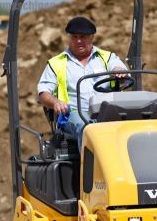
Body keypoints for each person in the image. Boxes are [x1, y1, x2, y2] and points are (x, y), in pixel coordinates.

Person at [37, 16, 127, 147]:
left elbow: (120, 70)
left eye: (83, 37)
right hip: (74, 113)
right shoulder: (56, 63)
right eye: (74, 37)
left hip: (107, 111)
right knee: (87, 128)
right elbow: (43, 93)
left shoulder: (106, 58)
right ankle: (91, 166)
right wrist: (56, 102)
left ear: (92, 37)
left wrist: (119, 71)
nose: (78, 41)